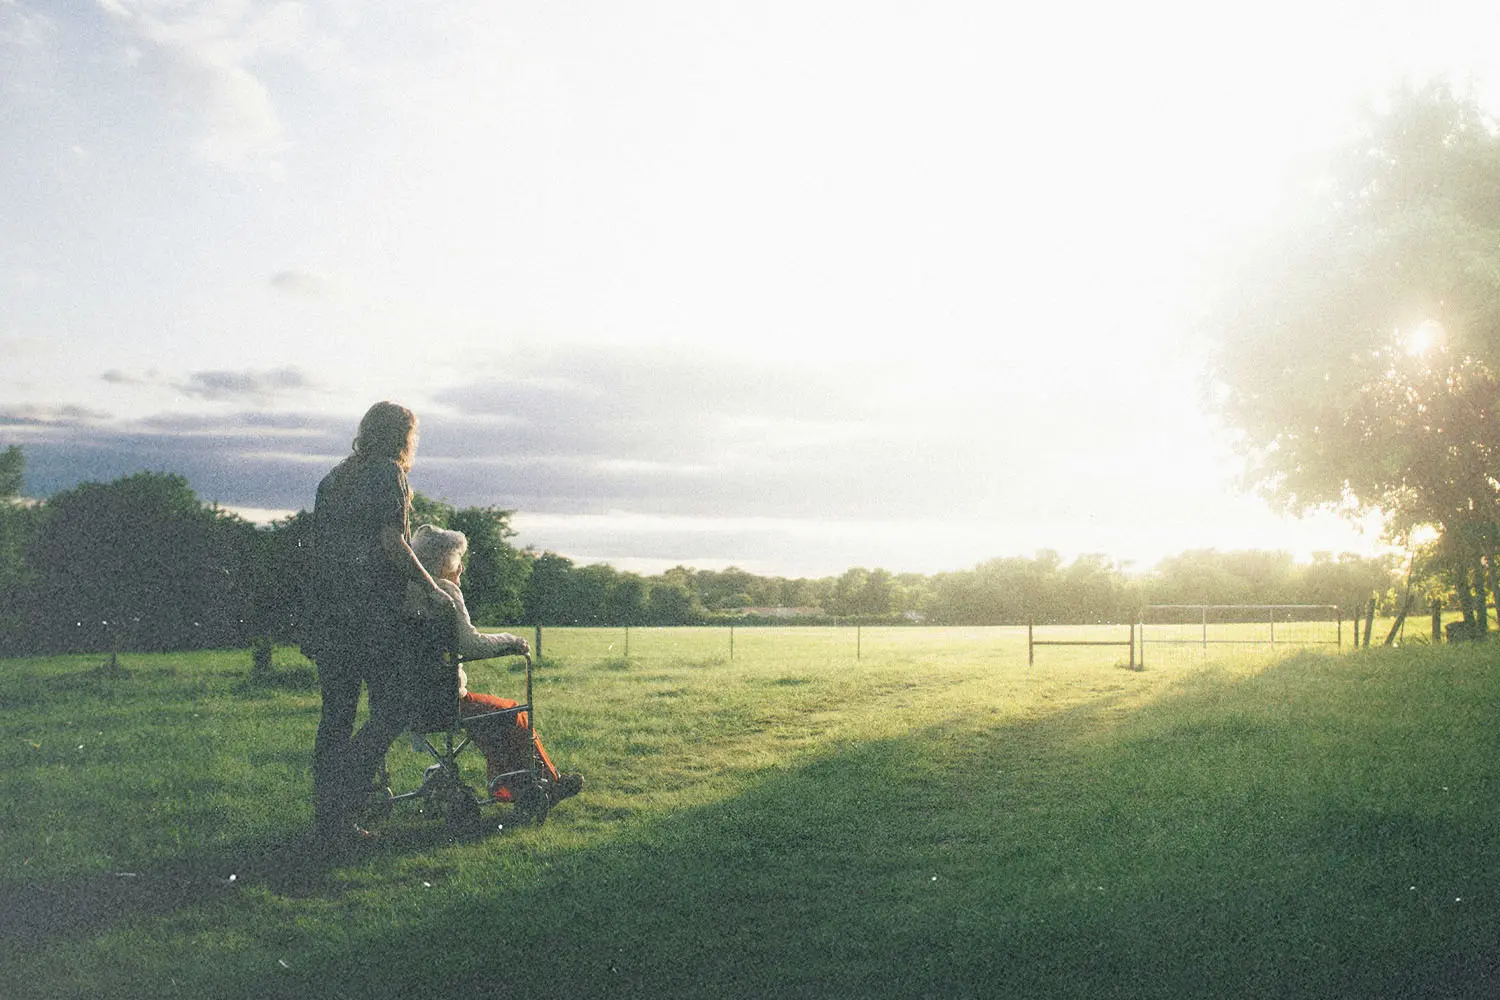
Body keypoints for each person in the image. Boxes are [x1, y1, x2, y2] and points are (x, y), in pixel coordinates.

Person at [303, 401, 452, 843]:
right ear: (402, 436)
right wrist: (432, 587)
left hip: (327, 613)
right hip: (368, 616)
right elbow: (394, 543)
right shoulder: (389, 474)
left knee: (336, 717)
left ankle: (329, 818)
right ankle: (346, 797)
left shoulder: (333, 479)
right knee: (392, 710)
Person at [407, 523, 583, 804]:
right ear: (444, 564)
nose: (461, 569)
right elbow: (471, 644)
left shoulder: (409, 593)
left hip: (411, 700)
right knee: (511, 712)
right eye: (458, 562)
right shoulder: (445, 594)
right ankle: (543, 783)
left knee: (493, 717)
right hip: (447, 699)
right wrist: (511, 640)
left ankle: (522, 785)